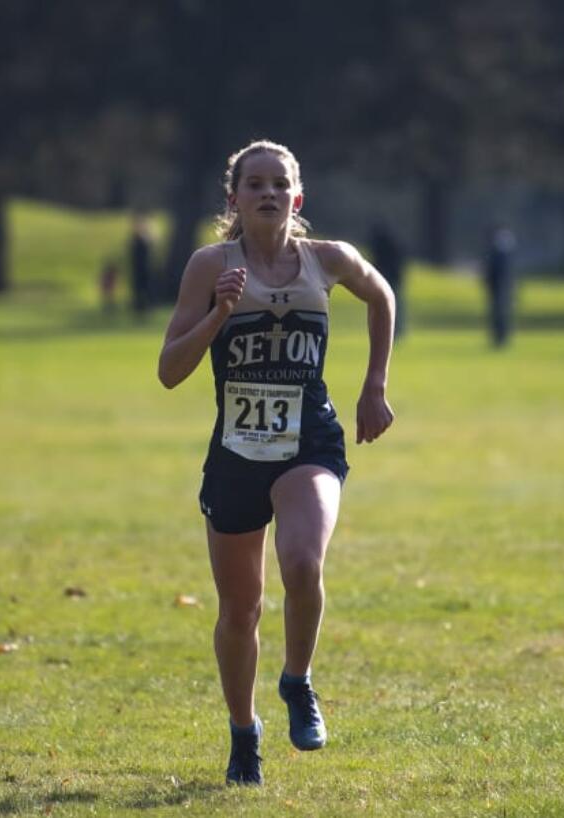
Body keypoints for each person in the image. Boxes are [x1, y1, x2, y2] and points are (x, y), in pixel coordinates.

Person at [157, 140, 396, 786]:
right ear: (233, 198)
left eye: (278, 183)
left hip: (308, 442)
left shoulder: (328, 260)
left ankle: (297, 681)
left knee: (302, 560)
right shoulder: (212, 266)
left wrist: (374, 385)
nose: (266, 192)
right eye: (253, 183)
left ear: (298, 197)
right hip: (236, 452)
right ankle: (244, 735)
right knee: (241, 610)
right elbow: (169, 371)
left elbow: (381, 296)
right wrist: (220, 313)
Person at [368, 220, 407, 339]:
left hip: (388, 278)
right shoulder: (391, 242)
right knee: (395, 305)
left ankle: (394, 331)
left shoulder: (381, 244)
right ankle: (395, 331)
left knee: (389, 305)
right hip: (392, 278)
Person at [483, 223, 517, 348]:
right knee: (499, 313)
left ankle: (501, 339)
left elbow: (500, 272)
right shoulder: (504, 249)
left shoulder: (500, 251)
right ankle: (499, 339)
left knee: (501, 313)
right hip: (499, 287)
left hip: (500, 287)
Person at [130, 210, 154, 319]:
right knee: (137, 290)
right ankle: (138, 310)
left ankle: (146, 309)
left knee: (146, 289)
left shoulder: (145, 239)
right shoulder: (135, 239)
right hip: (137, 269)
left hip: (145, 269)